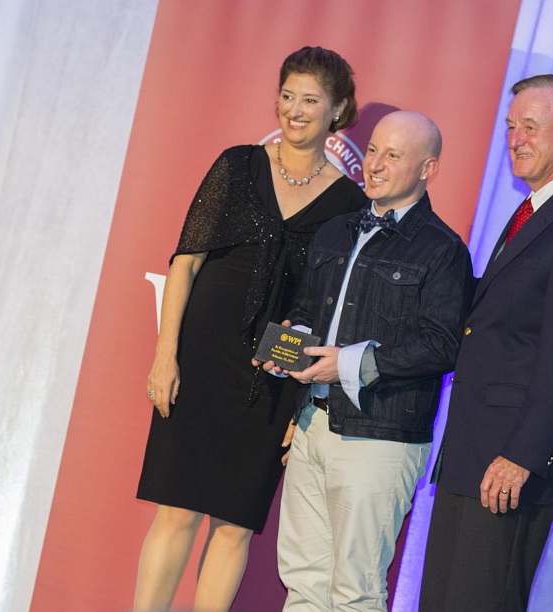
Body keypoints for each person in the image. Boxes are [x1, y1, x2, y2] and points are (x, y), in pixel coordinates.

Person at [134, 46, 368, 612]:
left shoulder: (349, 204)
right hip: (199, 360)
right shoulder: (237, 165)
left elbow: (331, 312)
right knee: (176, 511)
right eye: (287, 96)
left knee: (234, 524)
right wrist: (166, 356)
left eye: (309, 100)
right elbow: (185, 261)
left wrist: (302, 403)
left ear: (337, 110)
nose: (294, 110)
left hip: (272, 377)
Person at [419, 74, 553, 611]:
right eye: (511, 127)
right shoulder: (535, 209)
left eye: (531, 127)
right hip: (473, 451)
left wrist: (520, 457)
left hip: (510, 467)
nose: (516, 139)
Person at [257, 110, 474, 610]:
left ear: (428, 169)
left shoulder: (443, 251)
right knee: (303, 582)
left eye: (392, 155)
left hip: (380, 439)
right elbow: (307, 309)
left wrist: (347, 364)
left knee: (356, 591)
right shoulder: (335, 230)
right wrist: (291, 343)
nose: (373, 164)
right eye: (372, 150)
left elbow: (442, 345)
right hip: (312, 423)